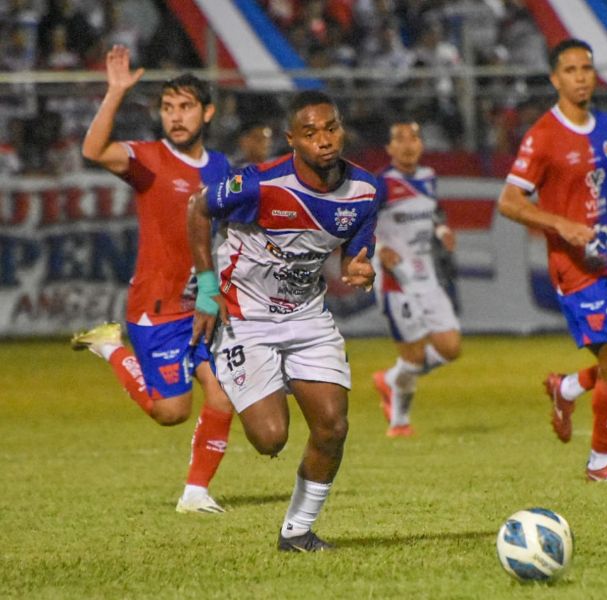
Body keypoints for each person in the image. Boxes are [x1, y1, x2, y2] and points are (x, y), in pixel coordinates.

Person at [187, 90, 377, 552]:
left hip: (307, 317)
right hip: (247, 318)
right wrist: (208, 290)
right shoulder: (260, 184)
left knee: (332, 426)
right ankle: (225, 359)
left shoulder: (366, 191)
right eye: (310, 133)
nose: (324, 141)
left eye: (331, 128)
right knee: (270, 439)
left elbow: (355, 253)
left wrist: (359, 269)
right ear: (292, 139)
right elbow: (197, 208)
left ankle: (297, 532)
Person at [71, 45, 233, 513]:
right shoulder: (149, 160)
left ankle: (195, 494)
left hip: (202, 306)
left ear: (207, 112)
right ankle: (111, 346)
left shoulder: (221, 168)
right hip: (157, 307)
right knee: (171, 412)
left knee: (224, 395)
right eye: (167, 108)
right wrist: (116, 92)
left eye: (185, 107)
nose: (175, 117)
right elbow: (93, 149)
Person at [496, 38, 607, 482]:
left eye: (587, 68)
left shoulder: (602, 124)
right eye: (570, 70)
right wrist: (561, 225)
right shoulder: (543, 136)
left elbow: (604, 180)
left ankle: (567, 387)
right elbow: (510, 201)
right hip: (575, 268)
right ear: (555, 79)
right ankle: (599, 464)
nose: (581, 76)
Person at [371, 119, 461, 437]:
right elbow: (358, 223)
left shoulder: (428, 177)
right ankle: (399, 422)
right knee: (414, 356)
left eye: (414, 138)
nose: (408, 144)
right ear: (390, 148)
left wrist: (442, 229)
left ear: (422, 145)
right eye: (400, 139)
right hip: (397, 282)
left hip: (428, 276)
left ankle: (390, 379)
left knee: (451, 347)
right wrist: (379, 248)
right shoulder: (380, 184)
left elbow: (434, 210)